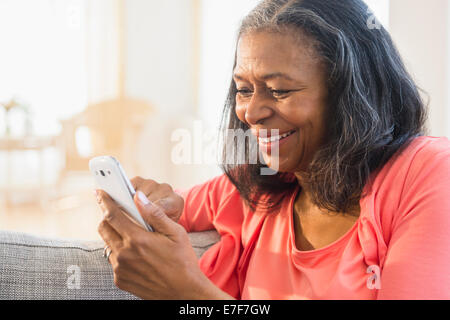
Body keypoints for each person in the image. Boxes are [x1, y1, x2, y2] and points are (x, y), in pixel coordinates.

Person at [95, 0, 450, 299]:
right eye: (244, 89)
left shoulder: (428, 173)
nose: (250, 112)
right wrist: (151, 203)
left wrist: (189, 293)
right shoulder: (255, 185)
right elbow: (174, 204)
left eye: (279, 91)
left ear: (349, 95)